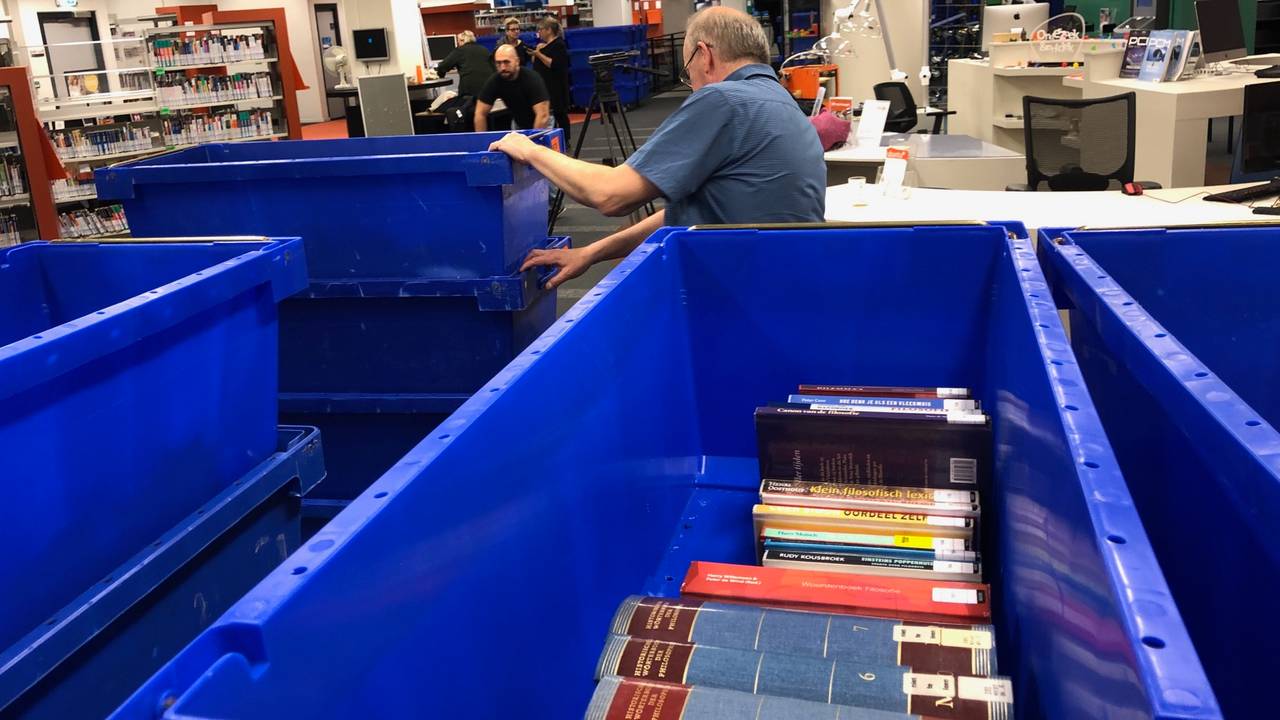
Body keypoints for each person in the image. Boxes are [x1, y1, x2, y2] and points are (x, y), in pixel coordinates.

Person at [488, 6, 826, 289]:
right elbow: (695, 211)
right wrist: (591, 252)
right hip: (785, 286)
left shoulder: (724, 99)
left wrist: (531, 149)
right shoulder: (781, 101)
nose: (692, 86)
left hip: (735, 294)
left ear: (704, 55)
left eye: (688, 73)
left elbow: (610, 195)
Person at [475, 45, 552, 132]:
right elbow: (480, 113)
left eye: (506, 62)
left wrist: (532, 142)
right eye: (498, 63)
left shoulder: (532, 79)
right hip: (519, 123)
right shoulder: (495, 81)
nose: (503, 67)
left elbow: (543, 115)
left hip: (544, 122)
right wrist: (481, 141)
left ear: (517, 61)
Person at [530, 16, 572, 144]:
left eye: (541, 29)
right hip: (545, 85)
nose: (539, 32)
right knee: (550, 114)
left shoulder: (559, 45)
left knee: (560, 113)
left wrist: (539, 54)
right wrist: (538, 50)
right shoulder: (544, 46)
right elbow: (534, 62)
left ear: (548, 30)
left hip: (556, 86)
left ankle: (565, 140)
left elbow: (554, 64)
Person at [435, 31, 495, 99]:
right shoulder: (484, 49)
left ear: (462, 40)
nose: (458, 44)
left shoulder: (460, 50)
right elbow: (494, 68)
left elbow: (443, 66)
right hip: (488, 90)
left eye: (458, 42)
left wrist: (440, 75)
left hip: (469, 93)